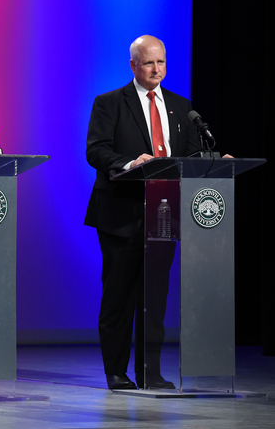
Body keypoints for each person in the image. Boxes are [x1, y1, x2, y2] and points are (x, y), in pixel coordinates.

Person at [84, 35, 202, 390]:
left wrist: (213, 162)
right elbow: (96, 150)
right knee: (119, 296)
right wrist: (129, 163)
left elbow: (192, 155)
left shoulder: (182, 108)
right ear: (133, 65)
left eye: (161, 62)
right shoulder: (109, 103)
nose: (156, 69)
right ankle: (116, 371)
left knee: (155, 298)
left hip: (164, 214)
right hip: (121, 212)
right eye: (149, 63)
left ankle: (150, 371)